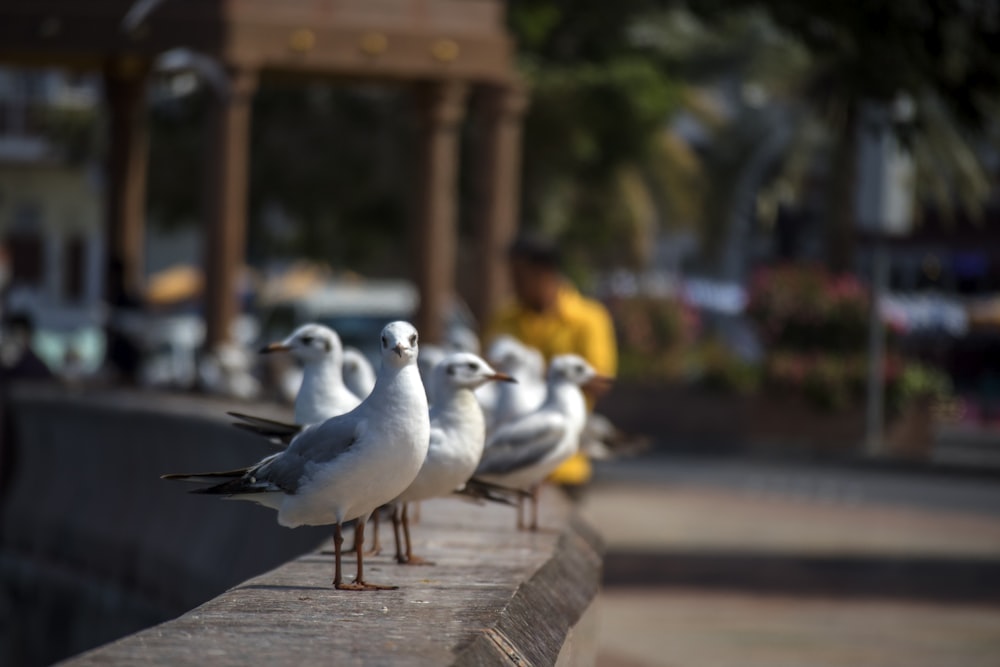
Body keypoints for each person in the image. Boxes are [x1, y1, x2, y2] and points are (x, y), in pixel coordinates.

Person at [485, 232, 617, 489]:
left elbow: (601, 383)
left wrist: (536, 372)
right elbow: (487, 374)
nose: (514, 284)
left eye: (520, 276)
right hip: (509, 465)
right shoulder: (504, 316)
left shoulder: (590, 318)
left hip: (565, 467)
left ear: (546, 272)